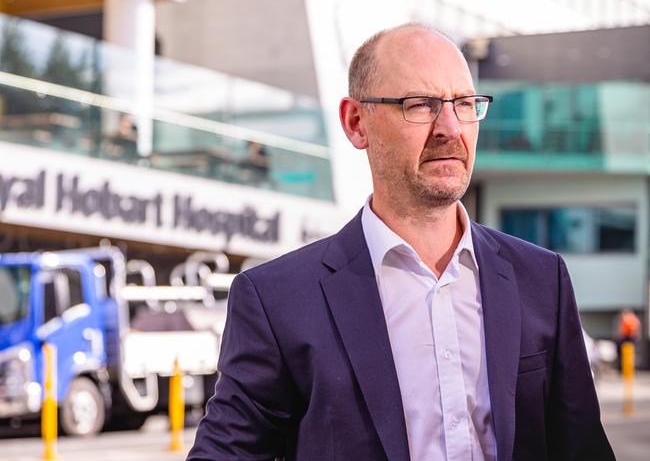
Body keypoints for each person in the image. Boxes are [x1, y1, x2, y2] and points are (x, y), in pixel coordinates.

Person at [188, 23, 614, 461]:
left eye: (464, 104)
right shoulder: (278, 300)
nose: (450, 128)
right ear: (357, 123)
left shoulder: (541, 280)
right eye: (420, 105)